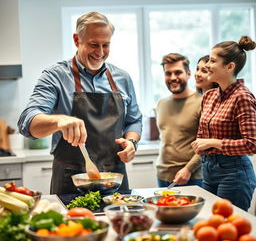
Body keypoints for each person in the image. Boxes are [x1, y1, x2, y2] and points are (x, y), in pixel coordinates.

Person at [18, 11, 142, 195]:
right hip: (70, 180)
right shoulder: (55, 76)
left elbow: (134, 121)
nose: (100, 53)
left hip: (114, 179)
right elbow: (27, 123)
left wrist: (131, 142)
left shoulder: (122, 78)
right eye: (93, 45)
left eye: (106, 45)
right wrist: (59, 121)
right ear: (77, 40)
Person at [191, 36, 256, 211]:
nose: (206, 66)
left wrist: (213, 143)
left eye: (212, 61)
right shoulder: (209, 96)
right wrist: (199, 143)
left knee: (228, 229)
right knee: (211, 223)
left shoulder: (242, 97)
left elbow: (252, 144)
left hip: (234, 173)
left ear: (229, 67)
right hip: (208, 170)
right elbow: (203, 132)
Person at [155, 53, 202, 188]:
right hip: (162, 175)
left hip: (192, 177)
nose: (173, 78)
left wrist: (189, 169)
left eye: (178, 72)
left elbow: (206, 145)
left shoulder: (202, 102)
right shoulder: (161, 103)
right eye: (168, 73)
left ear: (188, 74)